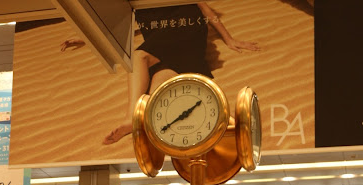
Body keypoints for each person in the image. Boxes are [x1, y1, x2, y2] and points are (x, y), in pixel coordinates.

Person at [95, 3, 259, 145]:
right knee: (158, 93)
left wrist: (229, 39)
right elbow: (116, 22)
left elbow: (204, 8)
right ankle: (230, 125)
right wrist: (90, 34)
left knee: (139, 56)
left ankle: (132, 116)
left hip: (185, 30)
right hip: (161, 44)